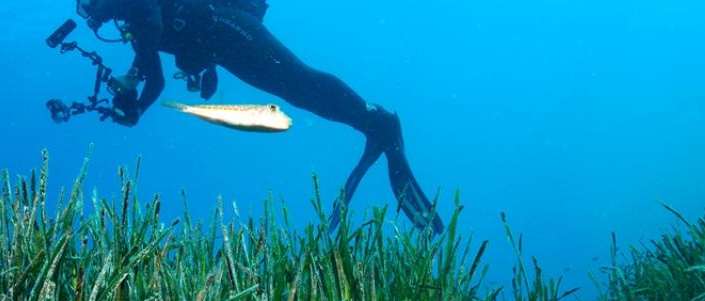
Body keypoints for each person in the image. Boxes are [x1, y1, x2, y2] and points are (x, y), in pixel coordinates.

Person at [74, 0, 444, 233]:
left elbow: (153, 46)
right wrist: (136, 105)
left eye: (87, 3)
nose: (88, 11)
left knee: (299, 81)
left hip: (229, 28)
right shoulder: (133, 21)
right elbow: (155, 69)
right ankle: (369, 123)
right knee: (297, 91)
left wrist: (135, 89)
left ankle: (377, 121)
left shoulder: (135, 8)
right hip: (224, 43)